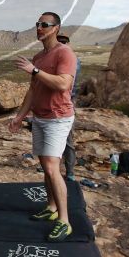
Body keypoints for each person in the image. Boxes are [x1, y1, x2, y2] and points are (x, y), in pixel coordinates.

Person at [9, 12, 77, 242]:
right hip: (40, 117)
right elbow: (32, 91)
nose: (39, 27)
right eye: (38, 24)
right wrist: (20, 117)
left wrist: (34, 71)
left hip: (58, 118)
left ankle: (64, 221)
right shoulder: (38, 57)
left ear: (56, 28)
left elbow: (63, 84)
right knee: (44, 165)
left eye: (45, 24)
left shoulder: (64, 53)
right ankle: (51, 207)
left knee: (50, 167)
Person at [57, 34, 81, 181]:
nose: (62, 45)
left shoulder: (72, 60)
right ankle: (63, 169)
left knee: (66, 139)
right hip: (64, 101)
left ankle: (70, 171)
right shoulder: (73, 59)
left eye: (63, 43)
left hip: (65, 102)